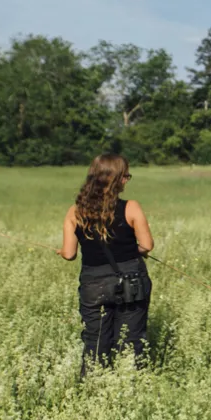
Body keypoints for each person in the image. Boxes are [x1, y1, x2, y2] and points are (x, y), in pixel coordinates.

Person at [58, 153, 154, 375]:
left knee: (95, 339)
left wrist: (61, 251)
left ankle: (91, 387)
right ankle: (132, 385)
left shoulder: (75, 212)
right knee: (132, 341)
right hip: (132, 280)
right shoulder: (131, 208)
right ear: (116, 179)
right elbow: (147, 245)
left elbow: (69, 254)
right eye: (125, 176)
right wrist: (134, 250)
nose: (126, 181)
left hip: (94, 284)